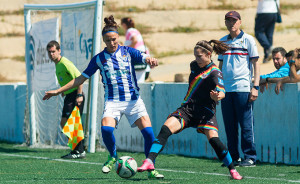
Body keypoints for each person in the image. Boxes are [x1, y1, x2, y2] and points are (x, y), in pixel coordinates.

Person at [43, 15, 164, 179]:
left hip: (133, 101)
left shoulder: (128, 52)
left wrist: (150, 59)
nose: (111, 43)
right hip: (113, 101)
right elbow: (80, 78)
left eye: (114, 39)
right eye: (107, 40)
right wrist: (57, 91)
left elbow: (144, 56)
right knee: (106, 128)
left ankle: (151, 168)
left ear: (118, 37)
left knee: (149, 134)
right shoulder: (99, 59)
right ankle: (113, 156)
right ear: (103, 41)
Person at [137, 40, 243, 180]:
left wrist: (217, 96)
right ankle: (149, 161)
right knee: (165, 129)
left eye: (199, 56)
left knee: (214, 141)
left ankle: (232, 170)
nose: (196, 59)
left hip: (206, 112)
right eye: (195, 56)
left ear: (209, 55)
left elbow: (222, 91)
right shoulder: (194, 65)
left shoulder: (215, 73)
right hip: (187, 109)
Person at [218, 11, 260, 167]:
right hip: (226, 90)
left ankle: (250, 156)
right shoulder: (222, 41)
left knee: (246, 125)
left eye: (234, 20)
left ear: (240, 22)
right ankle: (234, 157)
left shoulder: (248, 40)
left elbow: (256, 64)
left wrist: (255, 87)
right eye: (228, 20)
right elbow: (220, 67)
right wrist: (219, 86)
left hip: (243, 88)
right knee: (229, 126)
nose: (231, 23)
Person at [46, 40, 86, 159]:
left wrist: (79, 95)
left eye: (53, 51)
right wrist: (64, 91)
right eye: (49, 52)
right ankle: (76, 149)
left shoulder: (64, 63)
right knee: (65, 123)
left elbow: (79, 78)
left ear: (59, 51)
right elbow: (68, 80)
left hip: (75, 95)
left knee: (73, 124)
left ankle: (79, 151)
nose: (51, 54)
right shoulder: (57, 64)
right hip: (69, 95)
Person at [121, 17, 150, 82]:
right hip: (142, 57)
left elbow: (135, 40)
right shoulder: (135, 30)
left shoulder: (129, 31)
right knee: (139, 81)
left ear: (124, 25)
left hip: (136, 57)